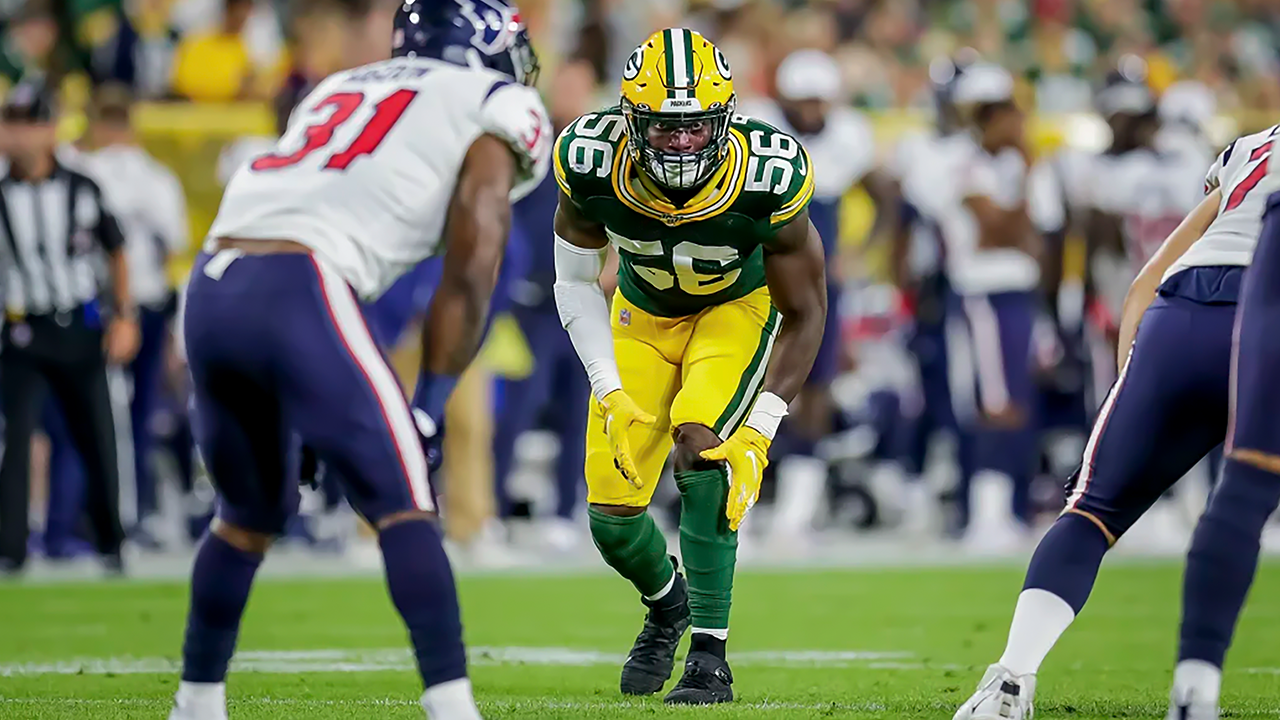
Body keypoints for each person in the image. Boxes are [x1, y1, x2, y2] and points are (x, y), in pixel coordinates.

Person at [166, 2, 551, 719]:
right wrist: (427, 408)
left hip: (215, 283)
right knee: (405, 503)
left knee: (249, 514)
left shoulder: (340, 86)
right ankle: (453, 707)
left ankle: (195, 702)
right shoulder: (493, 100)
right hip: (302, 282)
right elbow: (474, 260)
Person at [953, 124, 1276, 720]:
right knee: (1245, 498)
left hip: (1177, 315)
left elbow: (1149, 275)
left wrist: (1135, 370)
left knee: (1090, 512)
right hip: (1266, 315)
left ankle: (1010, 679)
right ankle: (1196, 685)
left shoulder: (1251, 147)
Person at [553, 29, 827, 704]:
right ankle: (668, 602)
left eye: (696, 128)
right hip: (640, 315)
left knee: (703, 448)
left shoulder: (768, 173)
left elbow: (809, 309)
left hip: (734, 309)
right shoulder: (590, 160)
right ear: (629, 121)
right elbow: (574, 282)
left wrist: (761, 426)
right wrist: (607, 385)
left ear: (726, 119)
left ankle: (710, 657)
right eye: (664, 128)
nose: (680, 143)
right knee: (612, 519)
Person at [739, 48, 898, 547]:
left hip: (818, 279)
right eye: (802, 99)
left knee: (815, 384)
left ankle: (797, 508)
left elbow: (887, 196)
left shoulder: (848, 135)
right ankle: (737, 493)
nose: (811, 110)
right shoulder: (757, 128)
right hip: (756, 275)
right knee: (740, 380)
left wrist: (861, 252)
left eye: (818, 100)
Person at [0, 79, 140, 576]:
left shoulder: (82, 186)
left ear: (51, 129)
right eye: (11, 123)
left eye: (29, 124)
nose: (18, 136)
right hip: (22, 331)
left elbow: (116, 248)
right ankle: (10, 550)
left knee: (97, 438)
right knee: (15, 441)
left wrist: (124, 315)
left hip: (79, 327)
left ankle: (111, 542)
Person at [1166, 128, 1280, 720]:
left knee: (1249, 478)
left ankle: (1195, 687)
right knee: (1250, 475)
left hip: (1215, 276)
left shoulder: (1251, 146)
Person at [915, 63, 1040, 548]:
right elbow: (997, 231)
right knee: (991, 401)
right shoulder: (953, 159)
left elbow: (1039, 235)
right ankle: (986, 515)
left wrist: (1018, 213)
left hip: (1019, 290)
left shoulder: (1024, 163)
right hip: (977, 290)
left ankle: (1008, 508)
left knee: (1017, 398)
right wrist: (1017, 223)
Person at [491, 59, 597, 551]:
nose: (572, 94)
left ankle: (564, 507)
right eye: (566, 85)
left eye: (581, 86)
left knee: (580, 409)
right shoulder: (532, 145)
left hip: (584, 299)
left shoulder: (604, 154)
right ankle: (490, 508)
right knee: (519, 405)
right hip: (533, 298)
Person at [78, 83, 189, 543]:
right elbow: (174, 241)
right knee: (121, 414)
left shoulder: (96, 172)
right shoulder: (142, 176)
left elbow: (173, 243)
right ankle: (117, 514)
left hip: (119, 305)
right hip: (121, 302)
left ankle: (119, 513)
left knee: (121, 415)